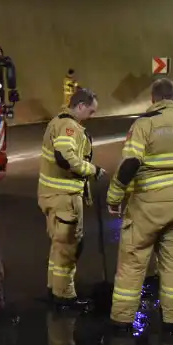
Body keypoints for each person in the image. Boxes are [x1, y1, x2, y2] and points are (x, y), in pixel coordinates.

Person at [105, 78, 173, 335]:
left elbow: (130, 164)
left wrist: (114, 198)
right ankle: (172, 324)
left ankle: (122, 324)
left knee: (132, 264)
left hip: (146, 207)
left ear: (154, 100)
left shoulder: (144, 125)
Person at [38, 87, 106, 308]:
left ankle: (53, 287)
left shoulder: (57, 121)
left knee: (58, 245)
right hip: (64, 198)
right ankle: (64, 295)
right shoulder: (69, 127)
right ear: (80, 106)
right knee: (69, 247)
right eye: (91, 111)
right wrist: (91, 170)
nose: (92, 116)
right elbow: (65, 157)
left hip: (50, 195)